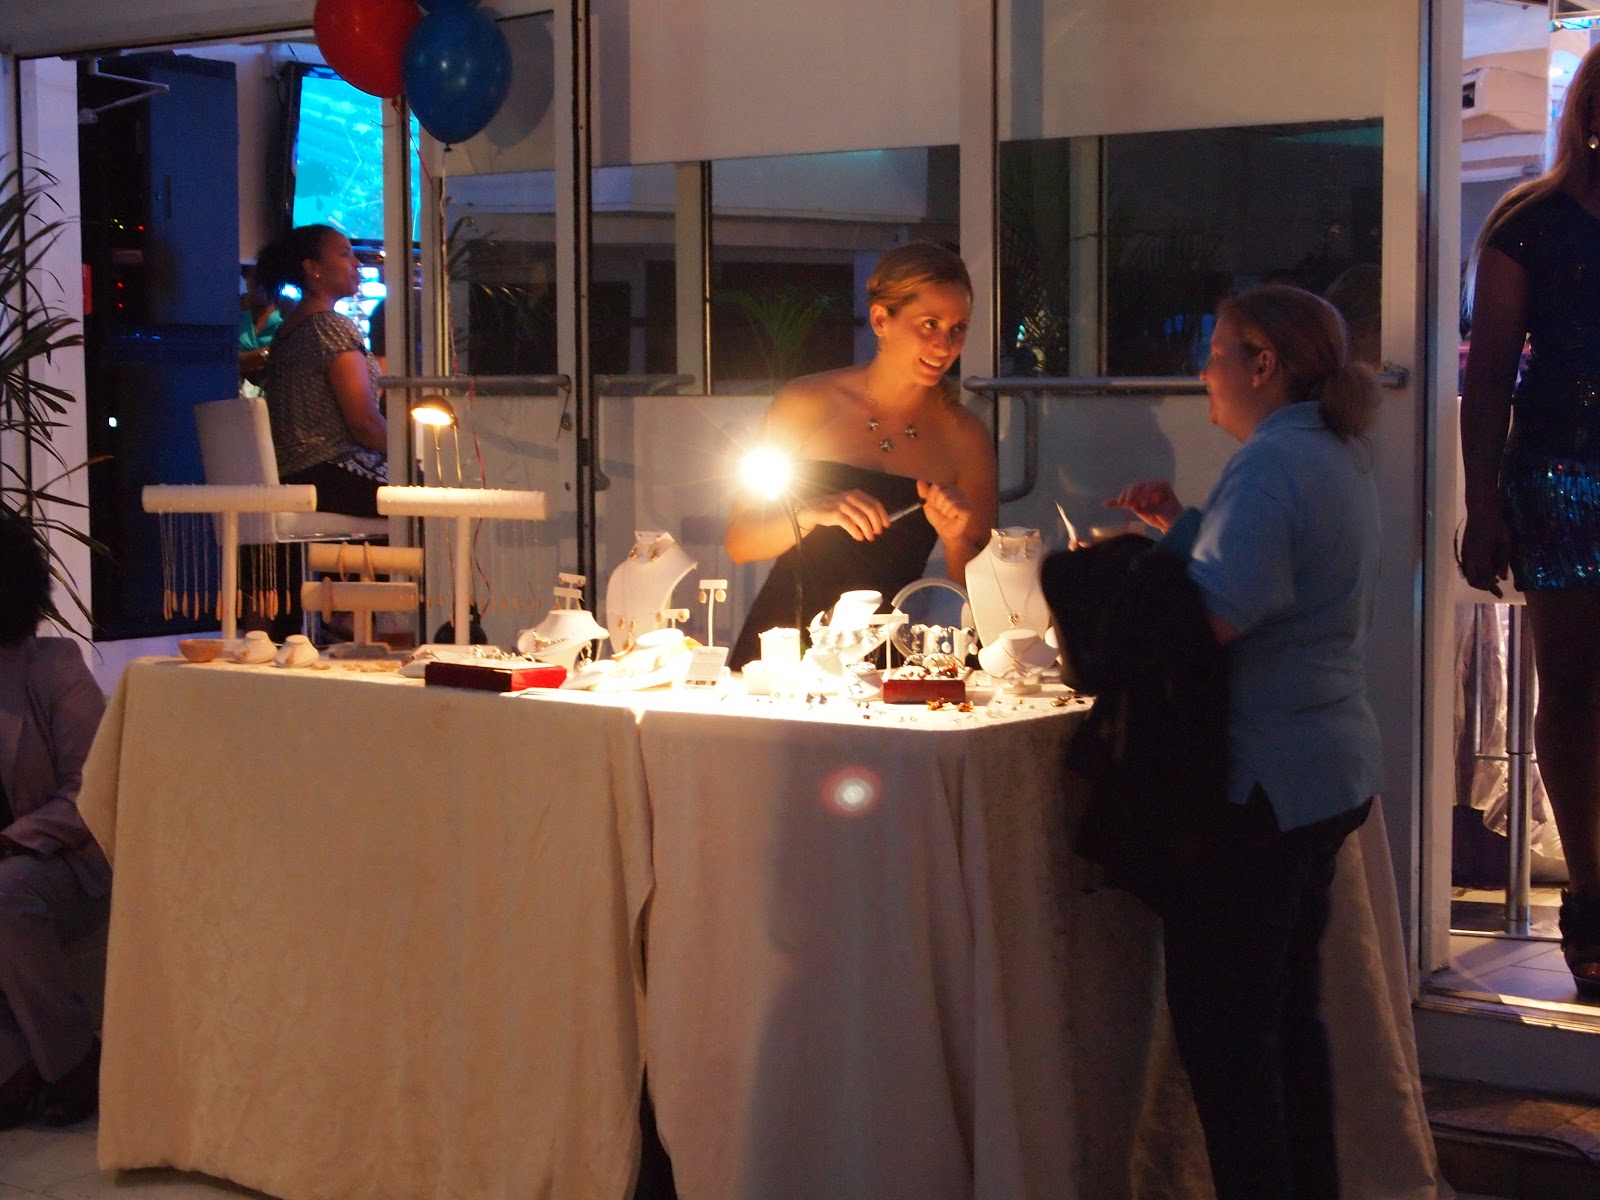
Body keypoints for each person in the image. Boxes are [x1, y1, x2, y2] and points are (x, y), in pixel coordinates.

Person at [1106, 285, 1384, 1200]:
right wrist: (1185, 530)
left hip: (1264, 782)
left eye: (1216, 353)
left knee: (1230, 1043)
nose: (1203, 373)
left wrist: (1107, 590)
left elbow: (1215, 621)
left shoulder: (1272, 464)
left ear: (1263, 365)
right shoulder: (1333, 452)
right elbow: (1282, 581)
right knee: (1288, 1026)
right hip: (1329, 766)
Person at [1459, 41, 1600, 1000]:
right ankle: (1589, 893)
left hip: (1555, 469)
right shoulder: (1531, 219)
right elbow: (1491, 374)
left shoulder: (1533, 220)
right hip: (1557, 476)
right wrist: (1482, 502)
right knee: (1574, 687)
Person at [724, 242, 997, 669]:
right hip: (781, 643)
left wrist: (954, 538)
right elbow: (741, 543)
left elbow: (985, 593)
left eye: (957, 328)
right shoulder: (805, 401)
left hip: (880, 659)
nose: (945, 345)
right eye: (929, 324)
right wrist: (810, 513)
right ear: (880, 319)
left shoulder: (964, 436)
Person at [0, 510, 111, 1128]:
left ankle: (72, 1060)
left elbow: (92, 790)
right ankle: (14, 1068)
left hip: (64, 860)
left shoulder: (53, 666)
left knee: (6, 894)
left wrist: (11, 842)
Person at [258, 225, 388, 518]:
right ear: (313, 268)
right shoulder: (329, 327)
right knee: (436, 495)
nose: (357, 263)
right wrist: (410, 450)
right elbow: (364, 424)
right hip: (330, 472)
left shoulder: (288, 330)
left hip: (296, 475)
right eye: (345, 254)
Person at [237, 260, 282, 385]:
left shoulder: (287, 310)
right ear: (246, 276)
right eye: (257, 279)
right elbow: (227, 359)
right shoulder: (233, 308)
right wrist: (268, 352)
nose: (262, 285)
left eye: (268, 278)